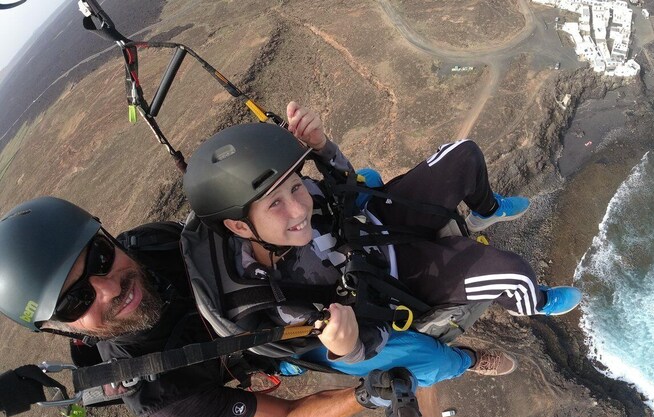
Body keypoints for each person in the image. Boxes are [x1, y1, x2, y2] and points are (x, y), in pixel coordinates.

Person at [180, 102, 581, 385]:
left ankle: (485, 209)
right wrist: (350, 348)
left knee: (464, 154)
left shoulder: (292, 207)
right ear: (240, 226)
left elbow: (343, 193)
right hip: (397, 280)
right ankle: (536, 303)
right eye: (276, 204)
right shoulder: (284, 300)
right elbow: (371, 337)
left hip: (376, 223)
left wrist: (322, 148)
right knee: (513, 274)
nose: (298, 208)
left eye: (296, 187)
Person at [0, 197, 420, 417]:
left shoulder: (154, 244)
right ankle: (471, 359)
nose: (110, 288)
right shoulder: (166, 395)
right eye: (76, 301)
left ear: (110, 238)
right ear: (59, 329)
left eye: (101, 256)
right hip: (282, 342)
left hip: (286, 280)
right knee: (425, 359)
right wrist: (365, 394)